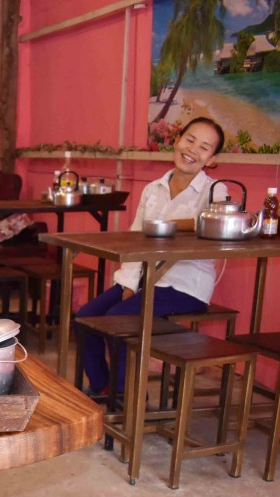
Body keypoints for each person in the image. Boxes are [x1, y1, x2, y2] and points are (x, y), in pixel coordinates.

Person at [75, 116, 228, 394]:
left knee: (119, 319)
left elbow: (214, 221)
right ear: (177, 140)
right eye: (190, 140)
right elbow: (136, 240)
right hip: (145, 279)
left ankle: (129, 399)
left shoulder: (215, 190)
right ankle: (104, 387)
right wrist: (129, 285)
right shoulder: (153, 189)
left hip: (184, 285)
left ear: (212, 159)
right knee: (86, 317)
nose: (192, 150)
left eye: (204, 147)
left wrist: (173, 225)